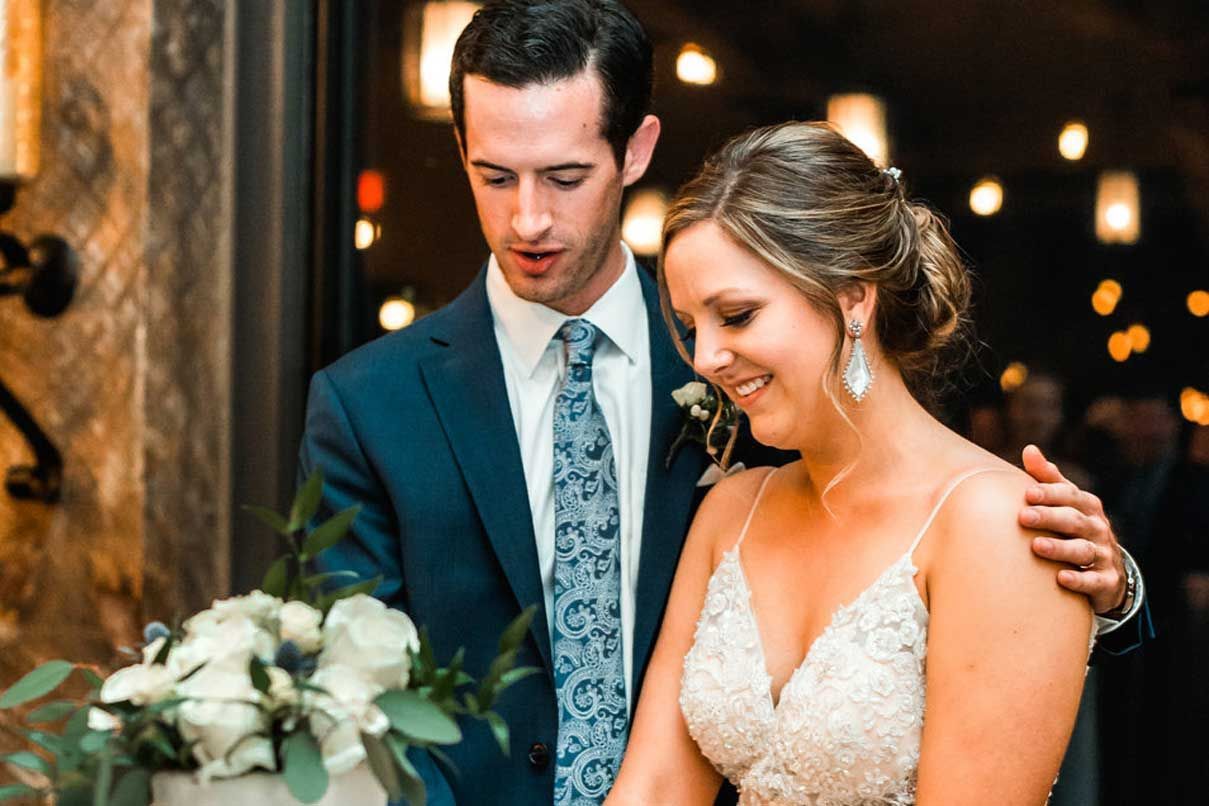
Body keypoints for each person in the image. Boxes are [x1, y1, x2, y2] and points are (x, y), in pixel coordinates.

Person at [297, 3, 1142, 803]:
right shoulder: (371, 405)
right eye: (493, 175)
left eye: (563, 175)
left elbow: (956, 554)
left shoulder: (768, 394)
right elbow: (349, 695)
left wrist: (1109, 590)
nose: (528, 218)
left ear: (633, 151)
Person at [605, 122, 1114, 804]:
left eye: (736, 315)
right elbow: (656, 788)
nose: (703, 358)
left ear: (852, 298)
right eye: (691, 325)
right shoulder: (732, 510)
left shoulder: (993, 523)